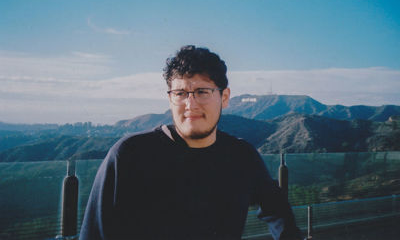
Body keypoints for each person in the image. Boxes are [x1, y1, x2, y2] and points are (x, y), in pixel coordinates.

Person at [79, 45, 303, 240]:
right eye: (180, 93)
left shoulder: (241, 156)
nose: (190, 104)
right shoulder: (130, 155)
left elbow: (277, 208)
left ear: (224, 98)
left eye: (202, 92)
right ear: (170, 98)